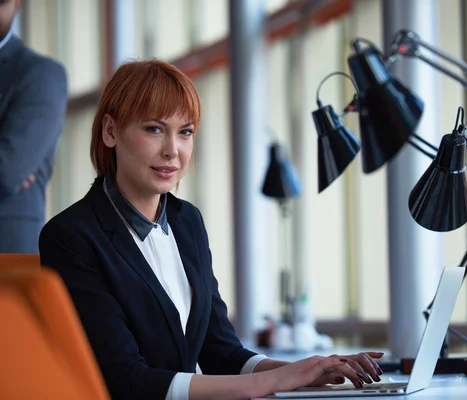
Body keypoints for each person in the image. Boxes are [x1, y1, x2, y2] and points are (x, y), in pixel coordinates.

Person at [38, 59, 384, 400]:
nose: (173, 150)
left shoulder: (188, 222)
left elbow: (222, 353)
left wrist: (312, 370)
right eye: (154, 129)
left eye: (185, 132)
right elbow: (126, 380)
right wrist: (277, 380)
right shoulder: (72, 237)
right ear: (110, 131)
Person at [0, 0, 68, 253]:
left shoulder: (40, 75)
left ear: (17, 3)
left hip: (6, 260)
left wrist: (10, 165)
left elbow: (7, 171)